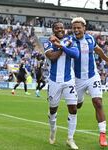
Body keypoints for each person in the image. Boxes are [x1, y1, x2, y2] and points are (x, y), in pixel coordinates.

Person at [71, 17, 108, 147]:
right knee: (76, 106)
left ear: (84, 28)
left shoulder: (90, 39)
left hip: (92, 76)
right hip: (77, 79)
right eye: (74, 28)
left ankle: (102, 135)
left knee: (98, 102)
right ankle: (81, 100)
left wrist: (107, 60)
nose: (76, 30)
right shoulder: (70, 41)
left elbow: (97, 50)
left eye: (79, 27)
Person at [44, 21, 79, 149]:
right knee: (53, 109)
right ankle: (53, 130)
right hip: (54, 80)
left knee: (73, 109)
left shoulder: (70, 40)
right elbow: (52, 57)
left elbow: (75, 54)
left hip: (69, 80)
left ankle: (70, 138)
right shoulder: (48, 42)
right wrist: (62, 47)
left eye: (62, 28)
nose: (60, 29)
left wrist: (61, 45)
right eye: (57, 28)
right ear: (53, 30)